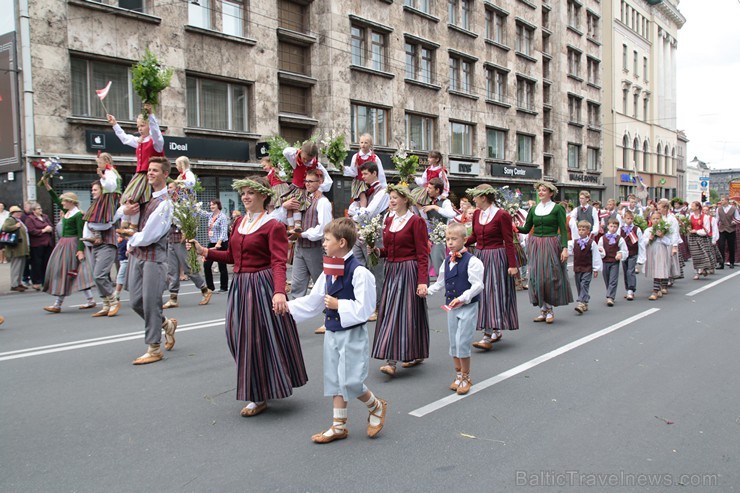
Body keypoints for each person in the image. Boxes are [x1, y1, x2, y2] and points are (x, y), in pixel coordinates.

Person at [190, 176, 308, 417]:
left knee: (257, 340)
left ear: (263, 196)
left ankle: (258, 394)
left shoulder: (272, 226)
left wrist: (278, 291)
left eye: (250, 193)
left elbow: (278, 262)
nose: (245, 196)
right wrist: (206, 252)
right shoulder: (239, 223)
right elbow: (232, 257)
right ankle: (259, 387)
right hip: (240, 287)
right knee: (235, 335)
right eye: (243, 192)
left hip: (261, 286)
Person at [287, 217, 387, 443]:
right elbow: (314, 301)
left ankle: (377, 406)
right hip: (333, 330)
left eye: (327, 239)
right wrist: (285, 309)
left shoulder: (361, 273)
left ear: (342, 242)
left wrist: (339, 304)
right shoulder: (329, 269)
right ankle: (338, 426)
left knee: (351, 381)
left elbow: (366, 309)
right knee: (334, 379)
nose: (323, 243)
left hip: (352, 333)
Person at [115, 156, 177, 364]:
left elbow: (150, 235)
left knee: (151, 303)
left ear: (165, 175)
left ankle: (154, 347)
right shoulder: (143, 198)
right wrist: (125, 211)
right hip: (138, 255)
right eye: (149, 170)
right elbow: (117, 214)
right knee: (135, 302)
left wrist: (128, 237)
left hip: (154, 258)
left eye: (155, 170)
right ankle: (167, 325)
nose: (150, 173)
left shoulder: (165, 204)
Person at [371, 184, 430, 376]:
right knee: (391, 313)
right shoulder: (389, 220)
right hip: (392, 271)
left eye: (396, 197)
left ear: (405, 199)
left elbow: (422, 253)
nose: (392, 201)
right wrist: (377, 251)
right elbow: (389, 251)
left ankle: (392, 361)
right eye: (390, 198)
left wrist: (422, 281)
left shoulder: (415, 222)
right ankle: (413, 352)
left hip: (409, 271)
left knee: (405, 314)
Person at [426, 222, 484, 394]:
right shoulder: (447, 261)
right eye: (447, 239)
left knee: (463, 342)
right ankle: (458, 375)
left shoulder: (473, 261)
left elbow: (478, 285)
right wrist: (427, 291)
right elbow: (441, 282)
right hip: (452, 307)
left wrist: (463, 297)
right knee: (453, 342)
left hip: (467, 306)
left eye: (454, 239)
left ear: (464, 239)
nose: (450, 242)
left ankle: (466, 376)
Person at [465, 184, 519, 350]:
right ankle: (494, 330)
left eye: (475, 196)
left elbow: (508, 241)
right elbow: (474, 235)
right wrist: (460, 243)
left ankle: (487, 334)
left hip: (496, 257)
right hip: (480, 257)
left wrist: (513, 265)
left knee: (492, 294)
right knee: (481, 292)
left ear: (483, 198)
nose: (473, 199)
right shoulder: (477, 215)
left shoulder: (501, 215)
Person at [516, 181, 573, 323]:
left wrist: (565, 248)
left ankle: (549, 309)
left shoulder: (557, 208)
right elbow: (526, 228)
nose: (540, 192)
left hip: (551, 243)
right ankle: (543, 308)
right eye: (539, 190)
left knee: (549, 277)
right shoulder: (533, 209)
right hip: (535, 244)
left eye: (544, 190)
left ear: (551, 193)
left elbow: (563, 229)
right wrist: (514, 226)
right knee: (536, 277)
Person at [108, 102, 164, 236]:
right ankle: (125, 224)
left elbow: (156, 133)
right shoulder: (139, 141)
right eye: (138, 126)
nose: (139, 129)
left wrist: (151, 115)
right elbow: (125, 139)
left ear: (149, 126)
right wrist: (115, 125)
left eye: (142, 125)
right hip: (139, 175)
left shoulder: (156, 142)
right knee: (128, 199)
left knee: (134, 199)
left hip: (148, 176)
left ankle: (132, 226)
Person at [40, 182, 96, 312]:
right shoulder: (68, 212)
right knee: (67, 272)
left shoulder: (77, 215)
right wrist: (48, 186)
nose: (62, 204)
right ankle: (89, 300)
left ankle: (58, 304)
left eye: (64, 201)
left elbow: (81, 233)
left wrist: (80, 250)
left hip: (72, 244)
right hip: (63, 244)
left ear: (70, 202)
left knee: (71, 272)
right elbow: (55, 199)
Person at [162, 182, 213, 309]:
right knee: (172, 270)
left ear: (177, 190)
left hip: (181, 240)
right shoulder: (168, 204)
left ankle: (204, 289)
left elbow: (188, 221)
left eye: (171, 188)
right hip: (171, 239)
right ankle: (173, 298)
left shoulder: (183, 204)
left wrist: (188, 234)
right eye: (168, 188)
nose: (169, 190)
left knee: (188, 267)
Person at [349, 161, 389, 321]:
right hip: (360, 234)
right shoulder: (364, 191)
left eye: (365, 174)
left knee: (375, 271)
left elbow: (369, 213)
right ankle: (364, 304)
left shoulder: (382, 190)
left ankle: (378, 306)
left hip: (375, 233)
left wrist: (356, 213)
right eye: (362, 174)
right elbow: (354, 208)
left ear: (374, 173)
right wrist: (357, 212)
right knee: (359, 269)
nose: (363, 177)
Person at [85, 181, 122, 318]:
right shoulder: (95, 206)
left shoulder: (108, 206)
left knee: (100, 274)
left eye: (95, 189)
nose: (93, 192)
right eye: (92, 189)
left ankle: (113, 300)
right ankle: (106, 304)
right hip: (95, 244)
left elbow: (108, 223)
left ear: (102, 191)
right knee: (97, 276)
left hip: (107, 243)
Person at [282, 141, 333, 234]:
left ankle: (297, 226)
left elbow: (328, 181)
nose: (305, 161)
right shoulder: (294, 159)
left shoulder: (317, 165)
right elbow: (286, 151)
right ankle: (290, 227)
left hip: (306, 191)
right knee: (289, 207)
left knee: (299, 207)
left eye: (308, 160)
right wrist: (299, 151)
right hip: (295, 188)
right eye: (304, 158)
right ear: (301, 152)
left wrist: (320, 189)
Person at [420, 178, 457, 277]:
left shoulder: (445, 202)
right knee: (423, 268)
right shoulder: (426, 200)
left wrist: (435, 207)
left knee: (439, 268)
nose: (428, 190)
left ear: (437, 190)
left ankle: (445, 289)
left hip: (438, 239)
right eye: (428, 187)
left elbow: (451, 214)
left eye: (430, 188)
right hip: (426, 237)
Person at [83, 153, 122, 243]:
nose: (99, 166)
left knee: (99, 217)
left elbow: (111, 186)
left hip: (110, 196)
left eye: (100, 163)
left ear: (106, 162)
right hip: (111, 195)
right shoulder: (111, 171)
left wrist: (102, 176)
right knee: (97, 217)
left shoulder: (109, 171)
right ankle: (98, 236)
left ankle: (98, 236)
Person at [569, 220, 603, 314]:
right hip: (577, 268)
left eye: (583, 229)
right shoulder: (574, 242)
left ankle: (580, 303)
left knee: (584, 284)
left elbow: (596, 255)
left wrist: (596, 269)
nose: (581, 231)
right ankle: (585, 302)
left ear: (588, 231)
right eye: (579, 229)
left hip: (587, 268)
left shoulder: (592, 243)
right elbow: (569, 251)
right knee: (579, 285)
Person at [343, 133, 387, 208]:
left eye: (366, 143)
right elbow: (353, 172)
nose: (363, 145)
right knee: (362, 195)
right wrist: (344, 169)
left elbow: (380, 173)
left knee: (372, 198)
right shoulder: (356, 157)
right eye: (361, 142)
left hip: (370, 183)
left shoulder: (374, 157)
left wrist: (384, 186)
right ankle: (363, 210)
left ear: (370, 144)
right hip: (359, 182)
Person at [200, 199, 230, 293]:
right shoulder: (210, 215)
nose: (211, 206)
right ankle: (210, 287)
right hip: (212, 242)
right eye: (210, 205)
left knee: (222, 265)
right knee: (206, 264)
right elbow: (201, 213)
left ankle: (224, 287)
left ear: (218, 205)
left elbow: (224, 231)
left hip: (221, 243)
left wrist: (219, 242)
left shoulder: (222, 217)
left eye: (213, 205)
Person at [642, 211, 672, 300]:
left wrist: (662, 236)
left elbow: (669, 242)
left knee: (659, 269)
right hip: (651, 250)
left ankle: (655, 290)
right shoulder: (648, 230)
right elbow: (643, 242)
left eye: (657, 218)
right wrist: (649, 239)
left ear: (661, 219)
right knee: (654, 269)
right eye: (654, 218)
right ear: (651, 220)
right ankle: (658, 287)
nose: (656, 220)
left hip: (660, 250)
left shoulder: (665, 229)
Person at [598, 218, 628, 307]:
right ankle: (609, 292)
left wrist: (620, 254)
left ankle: (610, 297)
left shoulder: (620, 239)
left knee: (613, 279)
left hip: (614, 261)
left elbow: (624, 249)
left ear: (617, 228)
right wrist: (601, 253)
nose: (613, 228)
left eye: (615, 227)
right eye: (611, 226)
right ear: (608, 227)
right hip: (605, 261)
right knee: (606, 278)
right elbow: (599, 248)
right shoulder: (602, 238)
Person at [24, 202, 54, 290]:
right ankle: (36, 281)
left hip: (47, 242)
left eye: (40, 208)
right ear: (33, 211)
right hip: (37, 244)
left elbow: (51, 225)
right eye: (38, 209)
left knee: (46, 261)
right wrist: (43, 230)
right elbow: (31, 230)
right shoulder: (30, 219)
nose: (40, 210)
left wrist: (49, 229)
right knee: (37, 263)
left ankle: (45, 280)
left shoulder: (45, 217)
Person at [2, 205, 30, 292]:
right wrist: (15, 226)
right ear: (12, 213)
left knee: (21, 266)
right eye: (17, 212)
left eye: (19, 212)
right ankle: (14, 284)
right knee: (16, 266)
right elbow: (5, 228)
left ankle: (19, 283)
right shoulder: (10, 220)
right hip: (15, 248)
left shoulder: (18, 220)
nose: (19, 213)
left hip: (21, 247)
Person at [619, 210, 645, 301]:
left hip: (633, 253)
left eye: (631, 218)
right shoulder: (621, 229)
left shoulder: (636, 229)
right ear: (624, 219)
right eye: (627, 218)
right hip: (624, 254)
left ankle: (631, 289)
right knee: (626, 271)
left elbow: (641, 243)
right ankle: (628, 289)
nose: (629, 220)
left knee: (630, 271)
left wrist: (641, 256)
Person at [687, 201, 714, 279]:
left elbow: (707, 230)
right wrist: (688, 229)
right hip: (693, 238)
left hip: (702, 238)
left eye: (693, 206)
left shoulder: (704, 217)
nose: (691, 207)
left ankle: (703, 268)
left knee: (703, 254)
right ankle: (697, 272)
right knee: (695, 256)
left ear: (697, 207)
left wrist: (697, 231)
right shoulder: (691, 216)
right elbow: (689, 226)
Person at [716, 195, 739, 269]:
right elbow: (717, 219)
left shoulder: (733, 209)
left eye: (722, 200)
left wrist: (734, 222)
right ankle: (721, 263)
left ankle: (732, 262)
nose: (721, 201)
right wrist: (715, 228)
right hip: (722, 229)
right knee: (721, 246)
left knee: (731, 247)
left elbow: (738, 218)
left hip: (731, 230)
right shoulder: (718, 209)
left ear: (726, 201)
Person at [113, 235, 128, 306]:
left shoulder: (127, 241)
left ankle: (116, 293)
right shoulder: (118, 240)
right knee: (121, 276)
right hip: (122, 260)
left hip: (126, 261)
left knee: (120, 276)